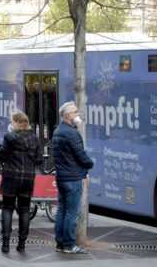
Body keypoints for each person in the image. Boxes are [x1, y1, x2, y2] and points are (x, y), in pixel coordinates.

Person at [0, 111, 42, 253]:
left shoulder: (10, 137)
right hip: (28, 178)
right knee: (24, 210)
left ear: (16, 122)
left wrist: (0, 151)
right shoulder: (34, 139)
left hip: (11, 177)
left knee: (7, 207)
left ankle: (5, 244)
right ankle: (21, 244)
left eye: (12, 122)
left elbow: (2, 157)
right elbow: (39, 160)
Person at [52, 101, 94, 254]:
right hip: (72, 178)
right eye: (75, 112)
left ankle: (60, 242)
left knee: (62, 210)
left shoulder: (57, 131)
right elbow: (80, 155)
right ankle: (69, 244)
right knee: (71, 212)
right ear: (68, 115)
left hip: (62, 177)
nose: (78, 114)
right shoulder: (71, 133)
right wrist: (90, 164)